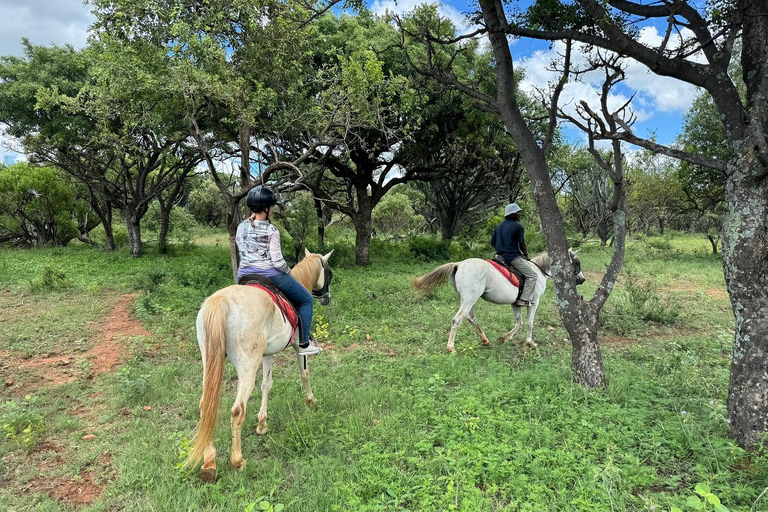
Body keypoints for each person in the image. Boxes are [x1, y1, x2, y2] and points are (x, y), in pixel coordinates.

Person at [235, 185, 322, 356]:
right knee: (306, 300)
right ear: (266, 209)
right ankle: (304, 344)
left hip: (244, 276)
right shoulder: (271, 230)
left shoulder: (241, 227)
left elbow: (241, 251)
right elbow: (277, 262)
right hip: (270, 275)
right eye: (272, 206)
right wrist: (288, 271)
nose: (273, 209)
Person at [491, 203, 538, 307]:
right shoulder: (518, 227)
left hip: (499, 257)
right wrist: (526, 255)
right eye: (518, 212)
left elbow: (493, 242)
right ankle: (523, 299)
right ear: (512, 214)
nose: (519, 214)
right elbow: (521, 244)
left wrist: (501, 249)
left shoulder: (498, 227)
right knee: (533, 275)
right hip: (512, 257)